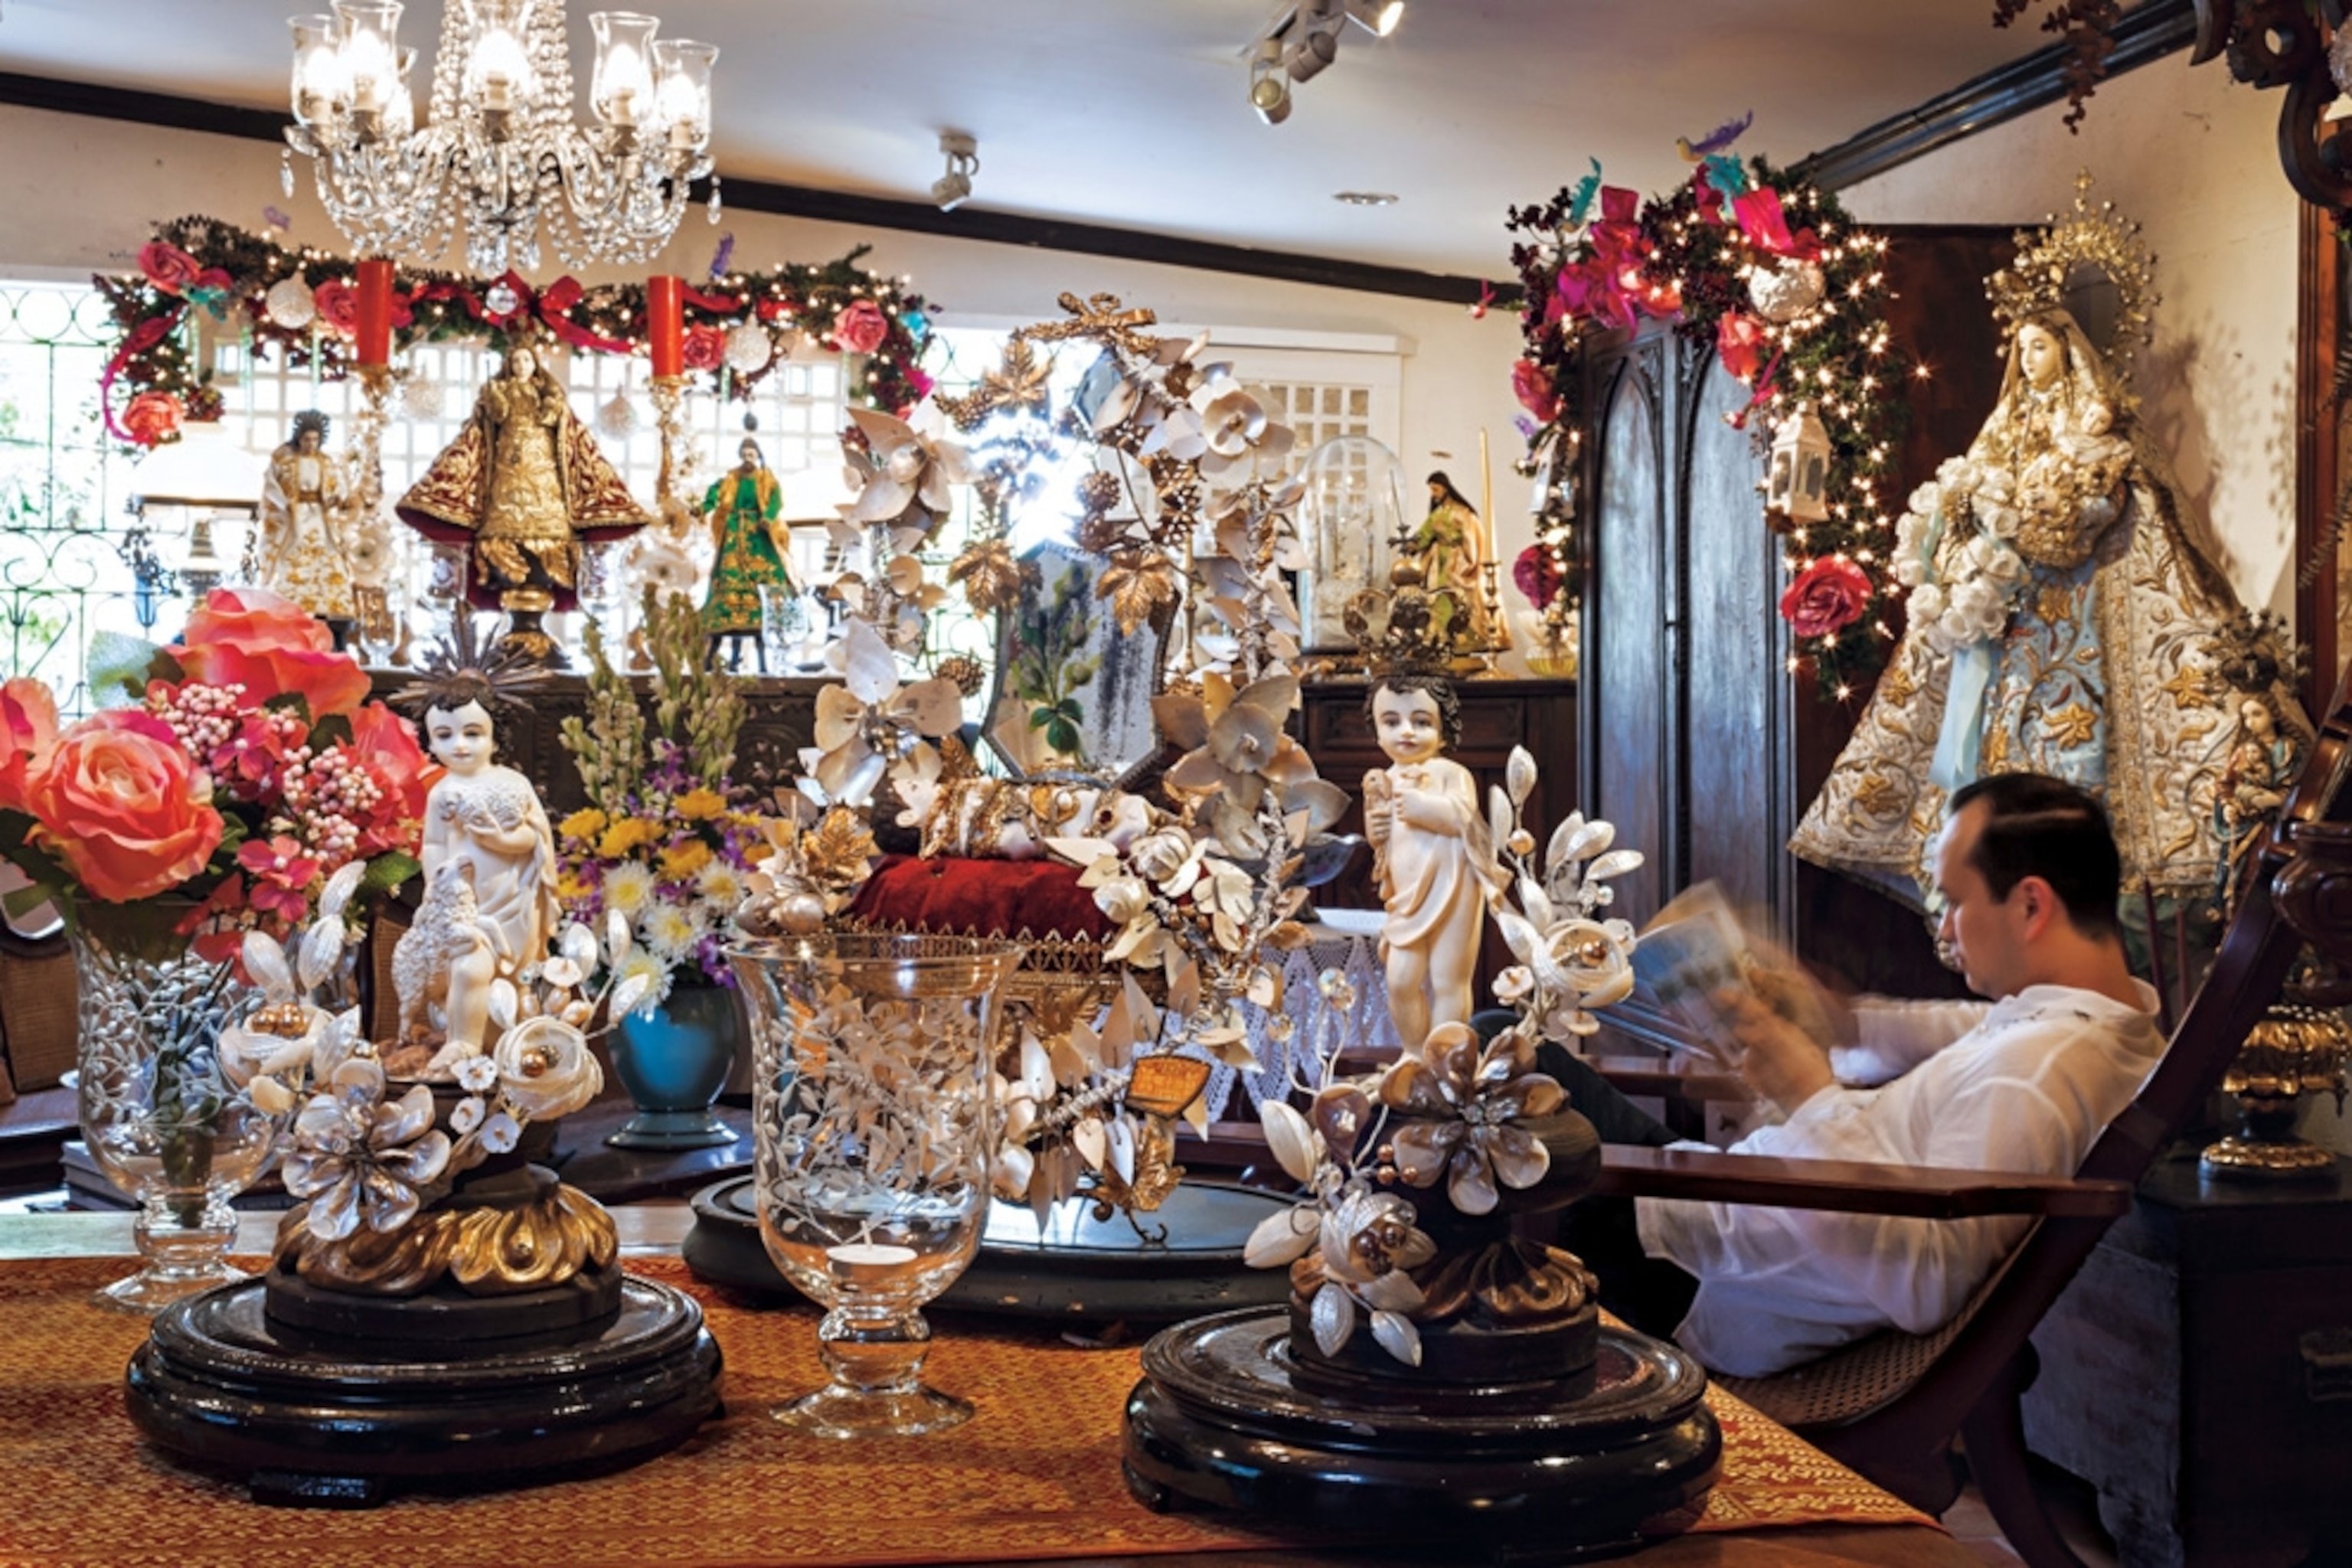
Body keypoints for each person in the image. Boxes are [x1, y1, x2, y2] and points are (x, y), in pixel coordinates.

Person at [1545, 773, 2162, 1377]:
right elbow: (1919, 1031)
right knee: (1512, 1072)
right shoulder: (2083, 1022)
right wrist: (1817, 1022)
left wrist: (1806, 1093)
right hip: (1718, 1215)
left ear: (2030, 904)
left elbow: (1927, 1281)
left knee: (1505, 1065)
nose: (1944, 929)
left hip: (1695, 1266)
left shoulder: (2035, 1074)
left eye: (1953, 900)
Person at [1791, 298, 2307, 908]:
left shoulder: (2095, 430)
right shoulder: (2006, 424)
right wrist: (1969, 537)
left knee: (2076, 745)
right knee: (2006, 743)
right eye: (2022, 348)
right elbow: (1968, 496)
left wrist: (2040, 516)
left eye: (2041, 346)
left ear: (2067, 351)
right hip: (2012, 615)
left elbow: (2096, 515)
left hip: (2081, 607)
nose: (2029, 359)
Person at [395, 337, 651, 619]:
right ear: (509, 365)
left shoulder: (548, 393)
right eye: (516, 361)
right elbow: (497, 415)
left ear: (535, 364)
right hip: (508, 467)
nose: (521, 365)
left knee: (546, 525)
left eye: (526, 360)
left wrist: (552, 403)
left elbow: (558, 422)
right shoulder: (501, 390)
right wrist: (495, 397)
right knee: (504, 517)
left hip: (542, 469)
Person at [413, 673, 558, 1060]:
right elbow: (432, 844)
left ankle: (506, 1048)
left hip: (511, 904)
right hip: (466, 907)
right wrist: (435, 886)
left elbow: (534, 840)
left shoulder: (511, 785)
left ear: (496, 738)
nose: (458, 745)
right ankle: (463, 1045)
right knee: (467, 969)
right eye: (444, 735)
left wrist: (496, 838)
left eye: (472, 733)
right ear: (429, 742)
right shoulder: (440, 792)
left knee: (512, 983)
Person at [1364, 671, 1505, 1050]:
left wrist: (1423, 807)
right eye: (1391, 722)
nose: (1406, 732)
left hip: (1455, 882)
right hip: (1407, 894)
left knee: (1449, 979)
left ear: (1444, 732)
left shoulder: (1451, 773)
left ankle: (1444, 1063)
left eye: (1422, 722)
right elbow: (1381, 842)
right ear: (1377, 732)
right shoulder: (1381, 780)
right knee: (1400, 979)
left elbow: (1464, 818)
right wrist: (1377, 830)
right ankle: (1413, 1054)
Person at [700, 436, 792, 671]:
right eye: (744, 455)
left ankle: (765, 629)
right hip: (734, 534)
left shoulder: (766, 479)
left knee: (763, 579)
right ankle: (721, 636)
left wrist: (768, 518)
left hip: (758, 536)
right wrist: (704, 507)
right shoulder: (731, 479)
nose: (748, 459)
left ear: (757, 456)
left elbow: (775, 500)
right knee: (729, 575)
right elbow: (714, 494)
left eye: (752, 455)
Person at [256, 410, 356, 621]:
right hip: (294, 516)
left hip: (320, 516)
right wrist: (284, 504)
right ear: (299, 438)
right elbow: (270, 485)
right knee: (293, 552)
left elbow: (340, 485)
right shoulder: (284, 460)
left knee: (325, 555)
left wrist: (336, 498)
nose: (310, 444)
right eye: (306, 439)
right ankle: (289, 599)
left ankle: (324, 603)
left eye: (315, 440)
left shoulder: (326, 462)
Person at [1405, 472, 1494, 655]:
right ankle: (1440, 640)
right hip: (1438, 564)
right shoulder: (1437, 514)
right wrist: (1411, 545)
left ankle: (1461, 641)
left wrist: (1466, 562)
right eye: (1431, 490)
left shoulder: (1463, 513)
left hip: (1457, 563)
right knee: (1437, 600)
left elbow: (1470, 538)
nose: (1433, 494)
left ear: (1446, 488)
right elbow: (1424, 534)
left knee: (1457, 599)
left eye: (1436, 489)